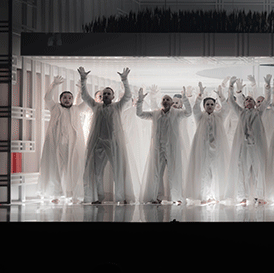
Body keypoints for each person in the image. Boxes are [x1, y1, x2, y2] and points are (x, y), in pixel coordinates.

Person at [79, 67, 137, 204]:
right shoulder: (95, 106)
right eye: (104, 94)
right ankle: (98, 197)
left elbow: (127, 96)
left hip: (113, 143)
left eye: (108, 94)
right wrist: (83, 80)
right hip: (98, 142)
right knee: (97, 171)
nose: (105, 96)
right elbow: (84, 96)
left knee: (118, 170)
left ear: (113, 97)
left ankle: (121, 197)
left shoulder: (117, 107)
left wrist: (124, 80)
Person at [37, 75, 88, 203]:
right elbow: (47, 98)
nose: (67, 100)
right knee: (56, 168)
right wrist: (53, 85)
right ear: (60, 99)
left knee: (74, 168)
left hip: (73, 145)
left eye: (70, 98)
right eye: (64, 97)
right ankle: (56, 195)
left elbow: (87, 102)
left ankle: (74, 195)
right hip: (57, 144)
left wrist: (82, 89)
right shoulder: (55, 108)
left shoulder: (76, 109)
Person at [137, 87, 192, 204]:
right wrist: (140, 101)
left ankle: (176, 196)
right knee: (156, 172)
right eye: (164, 99)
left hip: (172, 147)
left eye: (168, 99)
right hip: (158, 147)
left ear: (171, 103)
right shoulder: (155, 114)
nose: (166, 101)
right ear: (161, 102)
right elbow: (140, 114)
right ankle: (156, 196)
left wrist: (186, 99)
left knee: (174, 171)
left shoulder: (177, 114)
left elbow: (188, 113)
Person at [225, 76, 270, 205]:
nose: (249, 100)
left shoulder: (259, 112)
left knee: (258, 169)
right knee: (242, 169)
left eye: (251, 99)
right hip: (244, 146)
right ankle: (242, 196)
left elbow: (266, 101)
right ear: (244, 103)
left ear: (255, 103)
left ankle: (259, 195)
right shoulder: (241, 112)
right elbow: (231, 102)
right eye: (247, 99)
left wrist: (267, 86)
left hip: (256, 146)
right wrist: (231, 88)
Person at [184, 83, 230, 204]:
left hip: (217, 149)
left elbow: (227, 109)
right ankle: (204, 196)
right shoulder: (200, 117)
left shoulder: (219, 116)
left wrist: (221, 97)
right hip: (203, 149)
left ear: (215, 106)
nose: (210, 106)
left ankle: (216, 196)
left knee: (216, 171)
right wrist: (199, 96)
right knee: (204, 172)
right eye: (207, 104)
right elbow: (195, 109)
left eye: (212, 104)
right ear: (204, 106)